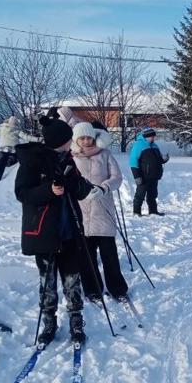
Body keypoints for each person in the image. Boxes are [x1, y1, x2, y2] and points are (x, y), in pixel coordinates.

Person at [14, 115, 105, 345]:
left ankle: (76, 320)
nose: (71, 142)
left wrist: (87, 189)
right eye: (68, 139)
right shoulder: (33, 160)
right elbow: (22, 193)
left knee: (72, 279)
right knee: (47, 282)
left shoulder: (67, 158)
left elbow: (76, 185)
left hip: (69, 231)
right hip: (44, 232)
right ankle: (49, 322)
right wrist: (48, 191)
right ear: (59, 141)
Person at [71, 122, 131, 306]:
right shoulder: (71, 157)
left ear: (94, 137)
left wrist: (104, 187)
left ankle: (118, 289)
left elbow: (117, 178)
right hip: (80, 212)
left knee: (109, 256)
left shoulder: (105, 154)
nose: (86, 141)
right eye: (82, 138)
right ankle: (93, 290)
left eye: (88, 137)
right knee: (86, 258)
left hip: (103, 211)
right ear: (76, 140)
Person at [129, 126, 169, 216]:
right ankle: (136, 212)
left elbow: (159, 159)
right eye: (152, 136)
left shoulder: (155, 146)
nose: (154, 138)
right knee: (140, 194)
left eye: (154, 136)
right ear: (147, 136)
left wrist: (164, 159)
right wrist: (136, 176)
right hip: (143, 176)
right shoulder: (138, 145)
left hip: (154, 175)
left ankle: (153, 211)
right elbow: (133, 161)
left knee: (153, 194)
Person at [0, 117, 24, 181]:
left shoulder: (2, 127)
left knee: (2, 162)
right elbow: (26, 136)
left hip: (4, 149)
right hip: (14, 150)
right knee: (20, 158)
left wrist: (1, 129)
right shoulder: (17, 130)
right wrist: (37, 139)